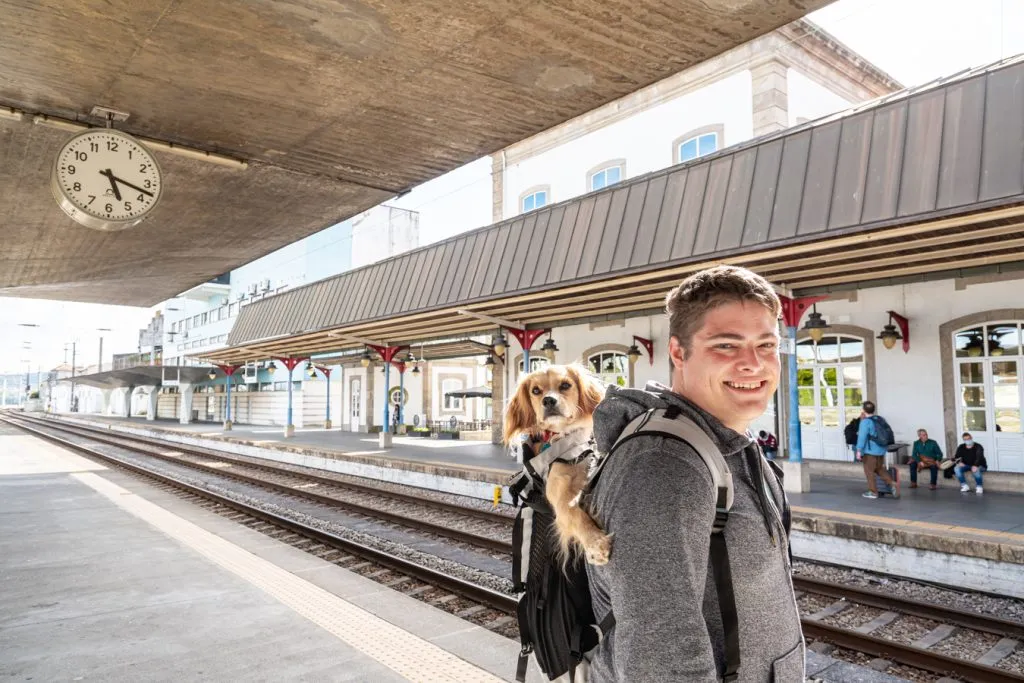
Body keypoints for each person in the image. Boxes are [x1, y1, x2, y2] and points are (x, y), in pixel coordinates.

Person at [586, 265, 804, 682]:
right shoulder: (663, 464)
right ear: (678, 353)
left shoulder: (730, 441)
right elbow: (659, 652)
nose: (753, 364)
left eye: (767, 344)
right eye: (726, 346)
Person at [855, 401, 899, 499]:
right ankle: (892, 483)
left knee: (869, 471)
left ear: (863, 410)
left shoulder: (865, 422)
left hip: (870, 452)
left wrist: (858, 450)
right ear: (873, 409)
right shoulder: (880, 419)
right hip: (881, 450)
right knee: (879, 469)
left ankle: (873, 492)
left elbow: (862, 437)